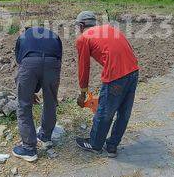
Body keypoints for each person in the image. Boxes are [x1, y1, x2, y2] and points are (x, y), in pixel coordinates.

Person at [74, 11, 139, 157]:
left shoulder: (83, 38)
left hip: (116, 77)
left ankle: (95, 144)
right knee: (124, 112)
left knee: (104, 112)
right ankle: (112, 147)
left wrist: (83, 93)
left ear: (81, 25)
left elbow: (84, 67)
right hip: (134, 71)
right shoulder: (111, 29)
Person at [12, 26, 62, 162]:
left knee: (23, 105)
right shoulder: (53, 35)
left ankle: (29, 149)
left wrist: (30, 91)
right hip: (53, 63)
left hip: (29, 64)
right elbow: (57, 61)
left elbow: (21, 65)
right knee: (50, 101)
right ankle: (45, 137)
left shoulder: (23, 37)